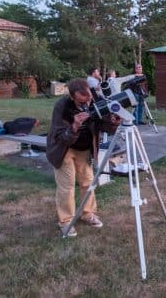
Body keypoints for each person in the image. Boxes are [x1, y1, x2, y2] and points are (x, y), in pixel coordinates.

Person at [46, 78, 121, 237]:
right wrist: (74, 126)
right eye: (81, 101)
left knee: (88, 182)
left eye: (87, 99)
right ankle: (66, 221)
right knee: (67, 186)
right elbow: (60, 137)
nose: (85, 104)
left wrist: (113, 122)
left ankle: (87, 213)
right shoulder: (62, 106)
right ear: (72, 96)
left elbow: (103, 124)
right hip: (64, 149)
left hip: (84, 148)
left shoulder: (95, 100)